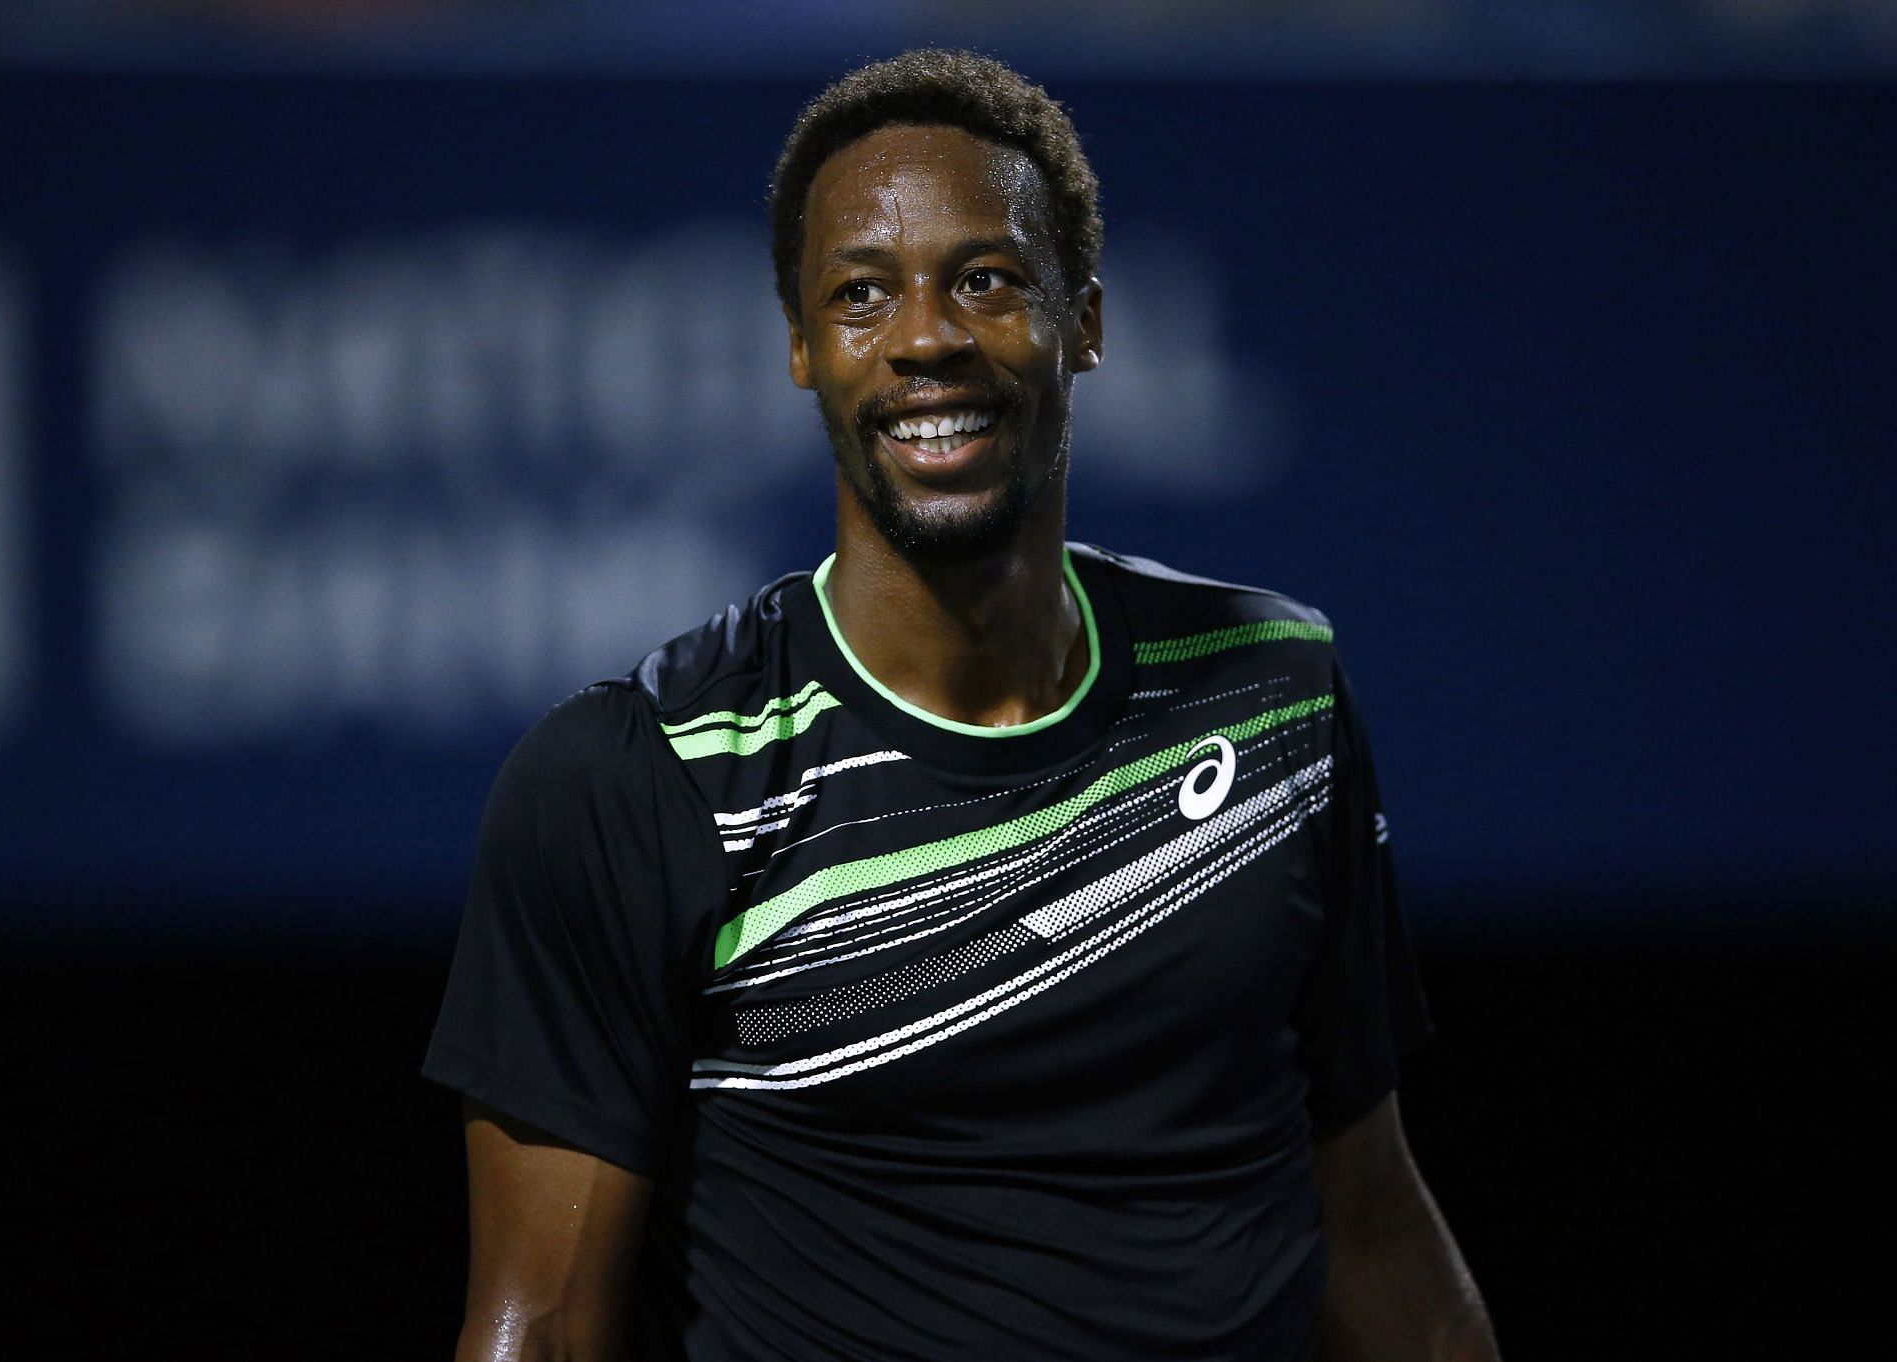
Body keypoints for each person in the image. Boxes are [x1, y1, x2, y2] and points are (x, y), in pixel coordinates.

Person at [425, 48, 1500, 1362]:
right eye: (863, 294)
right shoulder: (640, 778)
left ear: (1086, 320)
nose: (926, 336)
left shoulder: (1277, 698)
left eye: (985, 280)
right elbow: (539, 1324)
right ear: (805, 350)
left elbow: (1372, 1219)